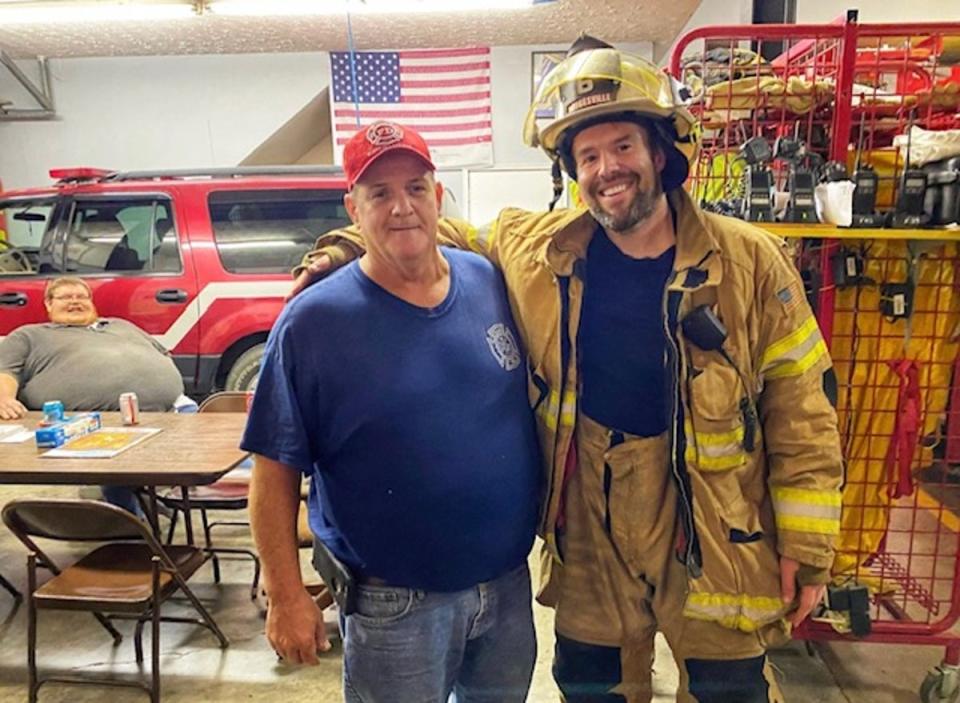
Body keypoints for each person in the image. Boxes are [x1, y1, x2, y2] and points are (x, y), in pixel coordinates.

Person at [292, 37, 844, 703]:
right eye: (588, 156)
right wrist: (337, 249)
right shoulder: (538, 249)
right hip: (589, 524)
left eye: (622, 148)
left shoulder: (750, 262)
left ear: (661, 154)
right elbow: (430, 226)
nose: (607, 169)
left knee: (729, 689)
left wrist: (808, 545)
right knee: (591, 688)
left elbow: (802, 406)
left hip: (714, 523)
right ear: (570, 170)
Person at [241, 121, 540, 702]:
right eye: (380, 193)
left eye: (415, 188)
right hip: (393, 605)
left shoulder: (489, 281)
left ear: (439, 196)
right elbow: (273, 473)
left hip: (505, 586)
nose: (402, 207)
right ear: (353, 207)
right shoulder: (313, 323)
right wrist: (285, 595)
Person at [0, 276, 188, 511]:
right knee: (114, 468)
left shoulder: (120, 325)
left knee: (231, 449)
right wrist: (4, 399)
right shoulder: (29, 336)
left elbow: (163, 354)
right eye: (66, 297)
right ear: (48, 304)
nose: (75, 302)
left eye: (81, 297)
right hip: (92, 425)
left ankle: (153, 501)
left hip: (172, 411)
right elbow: (5, 372)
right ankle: (132, 526)